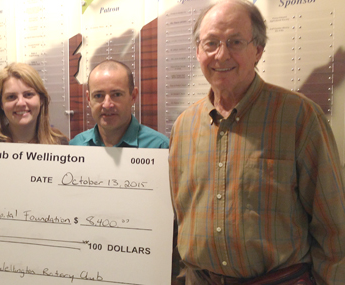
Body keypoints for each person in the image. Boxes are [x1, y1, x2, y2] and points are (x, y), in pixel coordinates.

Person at [169, 1, 345, 284]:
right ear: (198, 51)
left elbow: (333, 228)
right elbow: (181, 216)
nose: (221, 54)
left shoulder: (299, 117)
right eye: (211, 43)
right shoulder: (183, 127)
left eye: (235, 41)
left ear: (258, 50)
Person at [70, 60, 169, 148]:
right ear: (89, 99)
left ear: (133, 96)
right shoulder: (76, 146)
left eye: (116, 94)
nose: (107, 105)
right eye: (98, 96)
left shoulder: (159, 147)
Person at [0, 62, 68, 144]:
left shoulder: (59, 144)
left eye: (28, 94)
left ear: (41, 99)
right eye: (11, 97)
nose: (20, 103)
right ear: (1, 104)